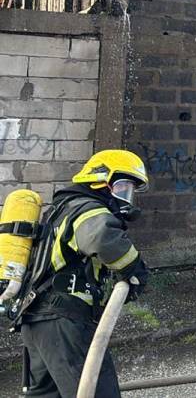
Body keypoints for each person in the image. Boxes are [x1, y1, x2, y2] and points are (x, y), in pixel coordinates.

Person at [13, 150, 151, 398]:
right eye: (122, 187)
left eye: (130, 191)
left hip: (37, 321)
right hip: (66, 321)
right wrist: (135, 270)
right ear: (100, 181)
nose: (126, 197)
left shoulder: (61, 211)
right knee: (97, 393)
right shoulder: (88, 208)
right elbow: (102, 239)